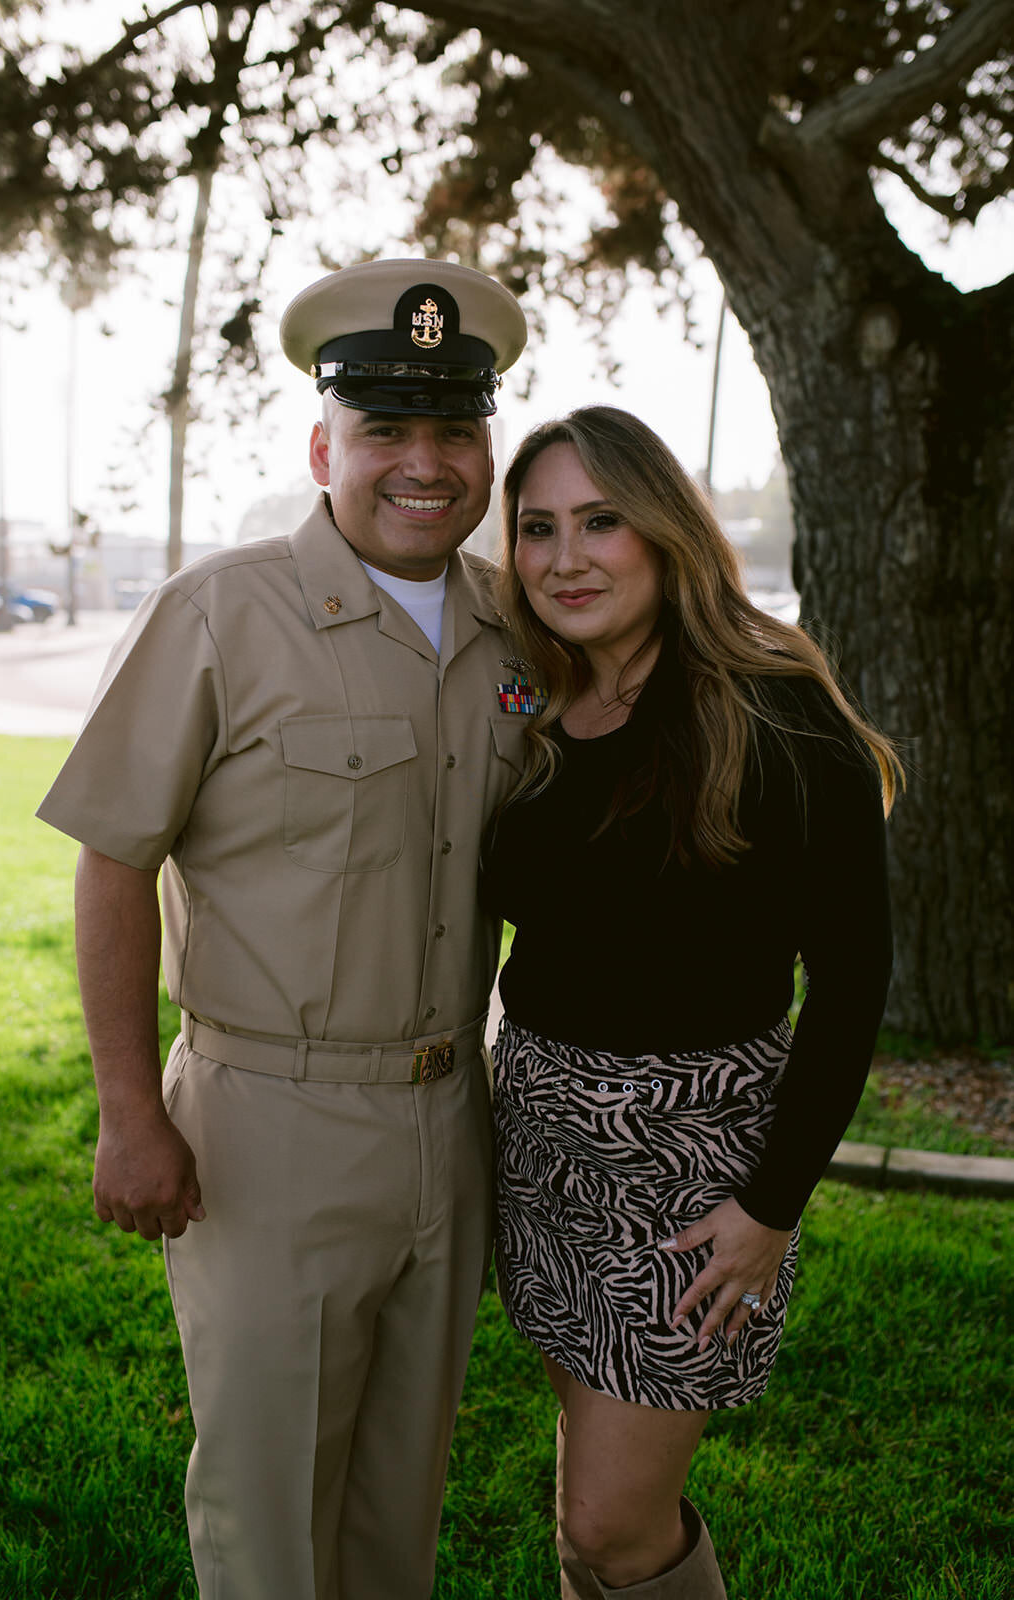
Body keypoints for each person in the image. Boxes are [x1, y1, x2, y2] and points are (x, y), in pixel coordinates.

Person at [36, 258, 533, 1600]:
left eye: (453, 429)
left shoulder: (513, 635)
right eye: (385, 429)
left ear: (485, 448)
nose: (422, 463)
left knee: (395, 1514)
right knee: (267, 1522)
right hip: (268, 1128)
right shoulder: (219, 613)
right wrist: (131, 1110)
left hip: (448, 1118)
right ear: (325, 446)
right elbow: (110, 864)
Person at [482, 405, 902, 1599]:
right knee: (587, 1507)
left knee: (616, 1524)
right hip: (541, 1142)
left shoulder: (773, 709)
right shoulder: (534, 706)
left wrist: (768, 1207)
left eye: (600, 521)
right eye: (537, 528)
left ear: (665, 532)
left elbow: (854, 981)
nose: (565, 557)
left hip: (691, 1171)